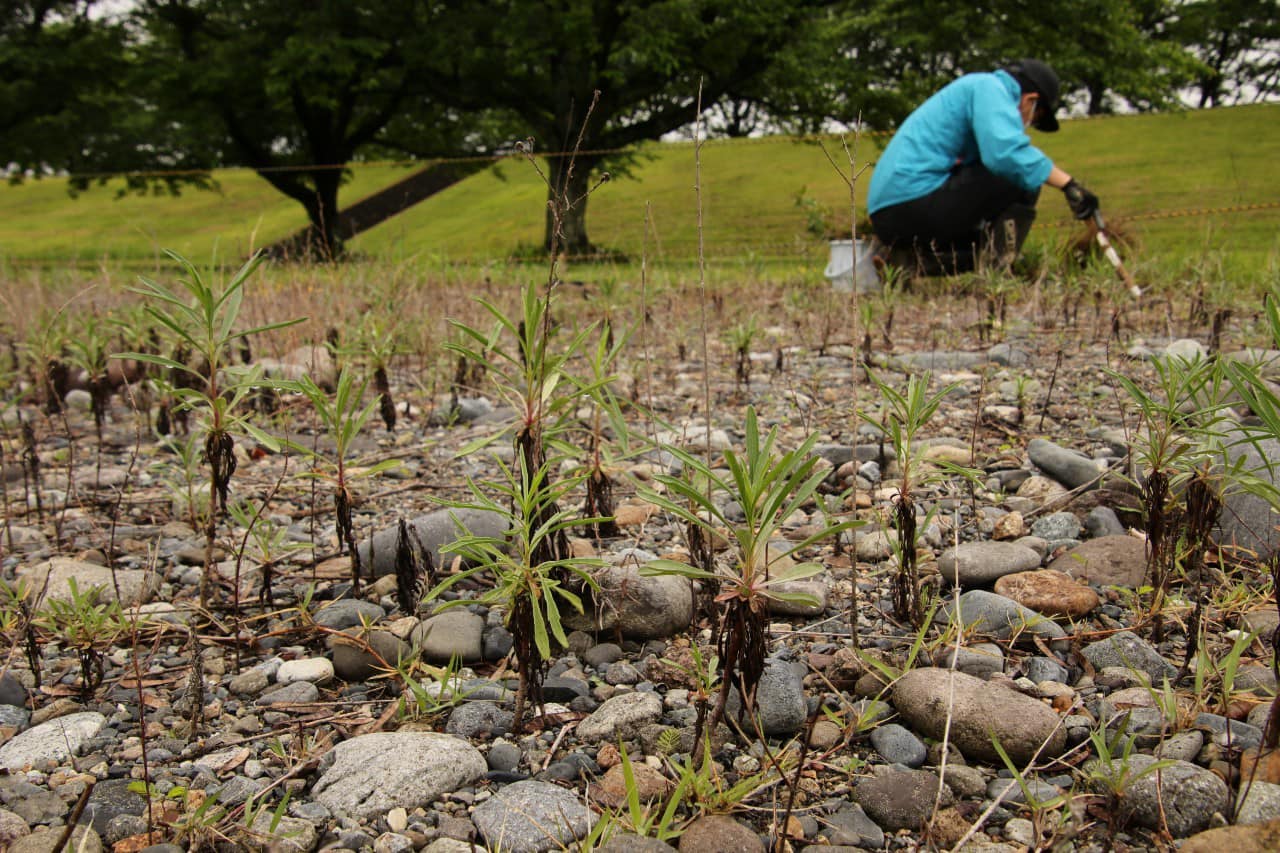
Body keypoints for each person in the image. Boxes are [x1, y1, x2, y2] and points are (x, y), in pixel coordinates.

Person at [867, 59, 1099, 275]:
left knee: (987, 239)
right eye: (1035, 117)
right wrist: (1069, 185)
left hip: (894, 212)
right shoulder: (989, 88)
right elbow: (1005, 155)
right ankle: (997, 274)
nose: (1028, 125)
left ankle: (901, 263)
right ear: (1030, 100)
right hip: (910, 204)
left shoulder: (973, 90)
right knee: (1021, 181)